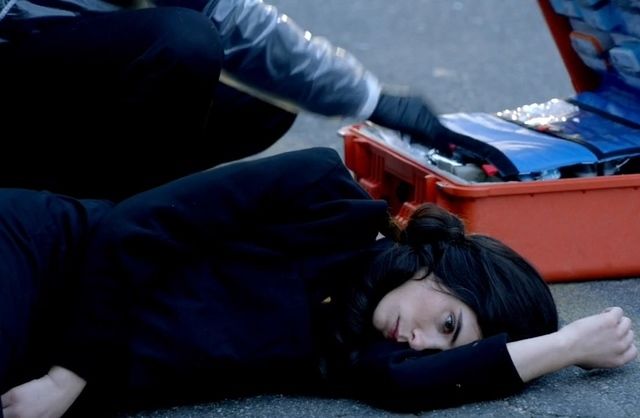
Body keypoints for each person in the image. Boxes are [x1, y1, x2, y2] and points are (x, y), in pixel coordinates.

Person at [0, 147, 636, 418]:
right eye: (448, 324)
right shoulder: (322, 191)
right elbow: (136, 227)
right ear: (443, 266)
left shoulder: (353, 350)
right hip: (38, 256)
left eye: (446, 348)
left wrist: (568, 346)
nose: (422, 343)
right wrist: (68, 378)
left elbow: (411, 385)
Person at [0, 0, 468, 201]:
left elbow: (235, 18)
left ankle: (89, 200)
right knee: (183, 43)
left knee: (261, 107)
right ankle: (97, 230)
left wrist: (372, 100)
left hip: (55, 60)